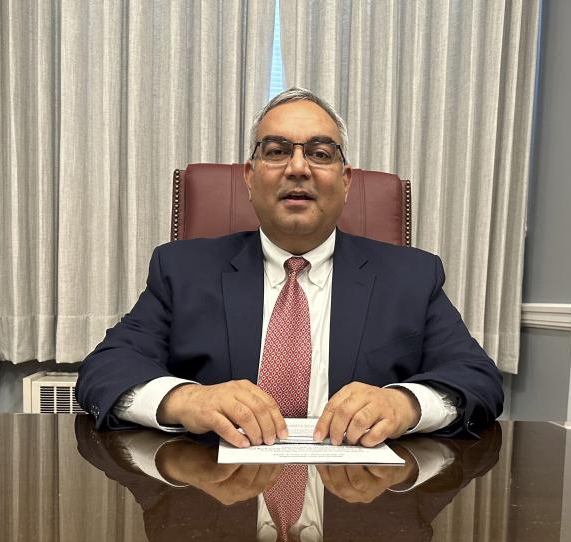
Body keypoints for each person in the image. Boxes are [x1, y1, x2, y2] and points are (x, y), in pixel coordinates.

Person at [77, 88, 503, 446]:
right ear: (249, 175)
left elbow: (478, 379)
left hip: (362, 510)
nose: (298, 168)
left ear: (345, 179)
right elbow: (104, 370)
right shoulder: (182, 269)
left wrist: (407, 405)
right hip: (215, 505)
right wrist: (186, 401)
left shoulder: (412, 276)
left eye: (319, 153)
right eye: (277, 151)